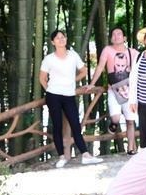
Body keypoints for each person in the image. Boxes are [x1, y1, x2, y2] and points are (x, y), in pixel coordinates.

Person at [39, 30, 104, 168]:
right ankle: (62, 157)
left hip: (69, 95)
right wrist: (50, 90)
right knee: (57, 126)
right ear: (52, 42)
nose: (61, 39)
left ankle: (85, 155)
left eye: (63, 37)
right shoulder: (49, 58)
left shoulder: (73, 55)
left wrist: (71, 80)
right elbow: (42, 78)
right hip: (53, 95)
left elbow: (84, 71)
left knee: (75, 124)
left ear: (66, 39)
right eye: (57, 38)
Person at [85, 26, 139, 155]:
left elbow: (139, 70)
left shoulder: (133, 52)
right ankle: (113, 124)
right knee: (115, 117)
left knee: (130, 120)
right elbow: (100, 67)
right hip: (113, 90)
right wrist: (92, 84)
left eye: (119, 34)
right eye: (113, 34)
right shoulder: (107, 50)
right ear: (111, 38)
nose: (116, 36)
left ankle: (131, 148)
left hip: (129, 90)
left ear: (124, 38)